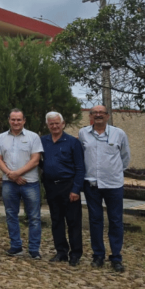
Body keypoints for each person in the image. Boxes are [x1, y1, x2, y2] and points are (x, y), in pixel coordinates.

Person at [79, 105, 131, 272]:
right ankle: (98, 255)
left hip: (113, 184)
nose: (99, 115)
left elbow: (125, 157)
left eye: (102, 113)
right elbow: (81, 156)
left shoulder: (119, 134)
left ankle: (116, 257)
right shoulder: (83, 134)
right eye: (95, 113)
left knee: (115, 221)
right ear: (91, 116)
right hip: (92, 185)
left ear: (108, 116)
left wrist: (113, 172)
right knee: (95, 220)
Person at [0, 109, 44, 259]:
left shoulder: (33, 137)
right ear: (9, 120)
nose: (16, 122)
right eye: (13, 119)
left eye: (19, 120)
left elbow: (35, 160)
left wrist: (18, 173)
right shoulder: (1, 137)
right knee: (11, 215)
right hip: (10, 183)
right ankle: (15, 246)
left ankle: (34, 249)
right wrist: (12, 175)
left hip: (30, 183)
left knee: (34, 217)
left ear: (24, 121)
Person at [40, 111, 85, 266]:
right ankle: (61, 252)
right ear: (48, 125)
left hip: (69, 186)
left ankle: (75, 254)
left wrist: (76, 189)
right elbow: (40, 161)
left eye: (57, 123)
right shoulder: (43, 141)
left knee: (73, 221)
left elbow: (80, 168)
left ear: (63, 124)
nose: (54, 126)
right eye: (51, 123)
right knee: (56, 221)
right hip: (52, 186)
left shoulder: (72, 142)